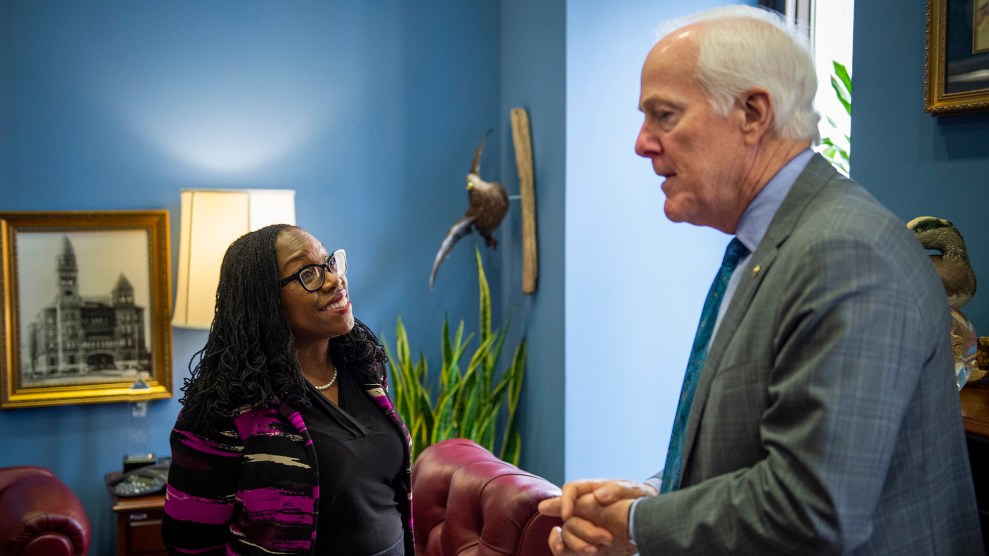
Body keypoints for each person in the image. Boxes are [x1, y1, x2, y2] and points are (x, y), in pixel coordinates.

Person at [538, 5, 983, 555]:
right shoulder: (772, 243)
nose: (642, 142)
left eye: (664, 116)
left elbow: (812, 509)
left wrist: (635, 525)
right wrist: (655, 496)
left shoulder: (845, 253)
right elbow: (749, 449)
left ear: (752, 113)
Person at [161, 224, 414, 555]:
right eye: (307, 273)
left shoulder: (365, 370)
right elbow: (189, 542)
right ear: (264, 300)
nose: (333, 279)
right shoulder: (226, 408)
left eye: (329, 263)